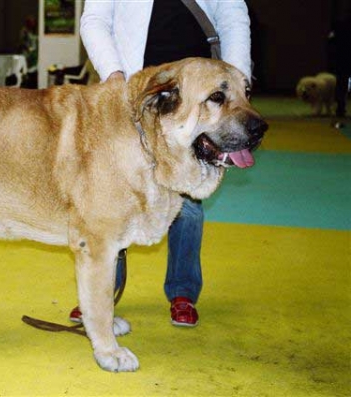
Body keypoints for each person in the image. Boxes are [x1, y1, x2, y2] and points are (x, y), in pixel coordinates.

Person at [73, 0, 253, 327]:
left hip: (199, 92)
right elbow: (95, 19)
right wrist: (113, 74)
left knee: (190, 199)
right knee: (115, 195)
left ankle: (183, 291)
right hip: (134, 87)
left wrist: (237, 77)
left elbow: (232, 14)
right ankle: (102, 293)